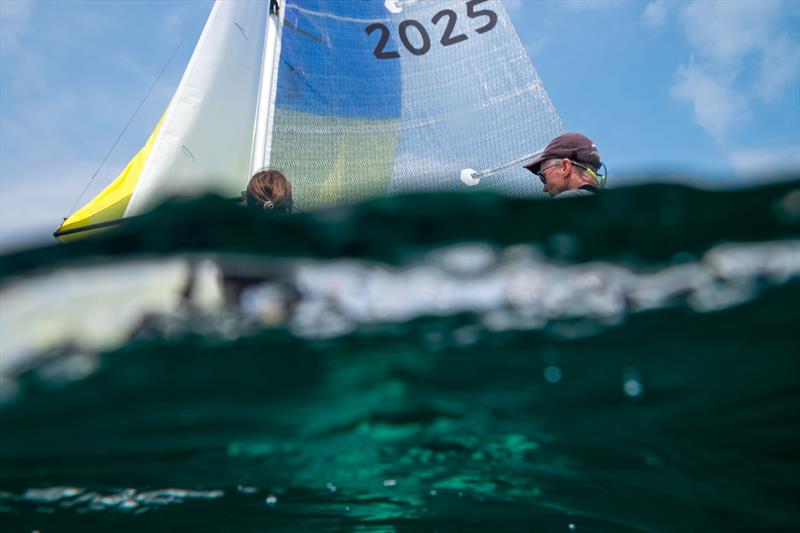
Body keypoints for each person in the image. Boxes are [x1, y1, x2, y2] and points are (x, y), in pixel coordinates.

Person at [524, 133, 605, 198]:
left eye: (543, 178)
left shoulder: (563, 204)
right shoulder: (612, 203)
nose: (545, 189)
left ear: (565, 167)